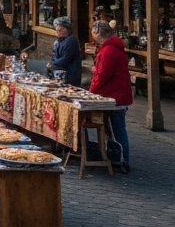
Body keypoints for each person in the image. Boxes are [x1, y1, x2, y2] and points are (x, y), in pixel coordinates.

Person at [89, 20, 133, 173]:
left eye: (93, 32)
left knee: (117, 129)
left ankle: (122, 160)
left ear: (98, 32)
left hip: (115, 96)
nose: (92, 35)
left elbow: (102, 75)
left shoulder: (109, 51)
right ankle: (116, 158)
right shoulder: (109, 48)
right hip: (114, 94)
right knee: (114, 129)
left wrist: (91, 91)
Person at [47, 16, 82, 86]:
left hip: (70, 75)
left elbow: (66, 59)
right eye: (57, 30)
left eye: (61, 29)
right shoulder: (58, 41)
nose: (58, 32)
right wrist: (51, 62)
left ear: (67, 29)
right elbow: (53, 55)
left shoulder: (71, 41)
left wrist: (53, 64)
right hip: (59, 74)